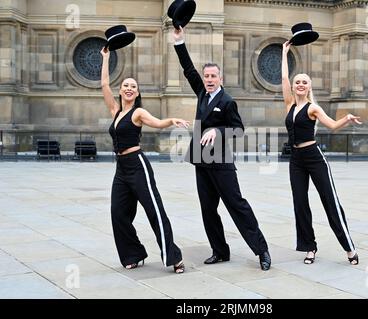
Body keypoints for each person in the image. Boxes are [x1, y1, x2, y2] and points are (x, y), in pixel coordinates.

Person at [172, 27, 271, 271]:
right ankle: (220, 251)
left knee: (237, 206)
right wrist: (179, 42)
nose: (208, 79)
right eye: (206, 76)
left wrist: (217, 131)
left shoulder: (227, 101)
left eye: (213, 76)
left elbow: (238, 130)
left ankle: (262, 251)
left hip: (221, 163)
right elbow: (188, 70)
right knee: (208, 210)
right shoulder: (201, 93)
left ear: (220, 79)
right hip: (200, 161)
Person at [100, 47, 188, 273]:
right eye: (126, 86)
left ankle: (174, 257)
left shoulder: (138, 113)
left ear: (137, 93)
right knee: (118, 212)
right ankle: (134, 253)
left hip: (138, 166)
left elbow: (157, 123)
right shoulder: (116, 111)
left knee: (154, 211)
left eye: (133, 87)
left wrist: (172, 120)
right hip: (121, 169)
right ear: (121, 90)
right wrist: (106, 59)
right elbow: (104, 86)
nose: (129, 89)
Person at [282, 41, 362, 265]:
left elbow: (333, 126)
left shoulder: (313, 108)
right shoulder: (289, 104)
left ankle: (349, 248)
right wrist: (284, 54)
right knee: (300, 203)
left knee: (330, 201)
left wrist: (346, 118)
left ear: (309, 87)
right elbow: (283, 80)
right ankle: (309, 247)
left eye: (304, 82)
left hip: (314, 158)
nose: (299, 84)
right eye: (297, 81)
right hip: (296, 160)